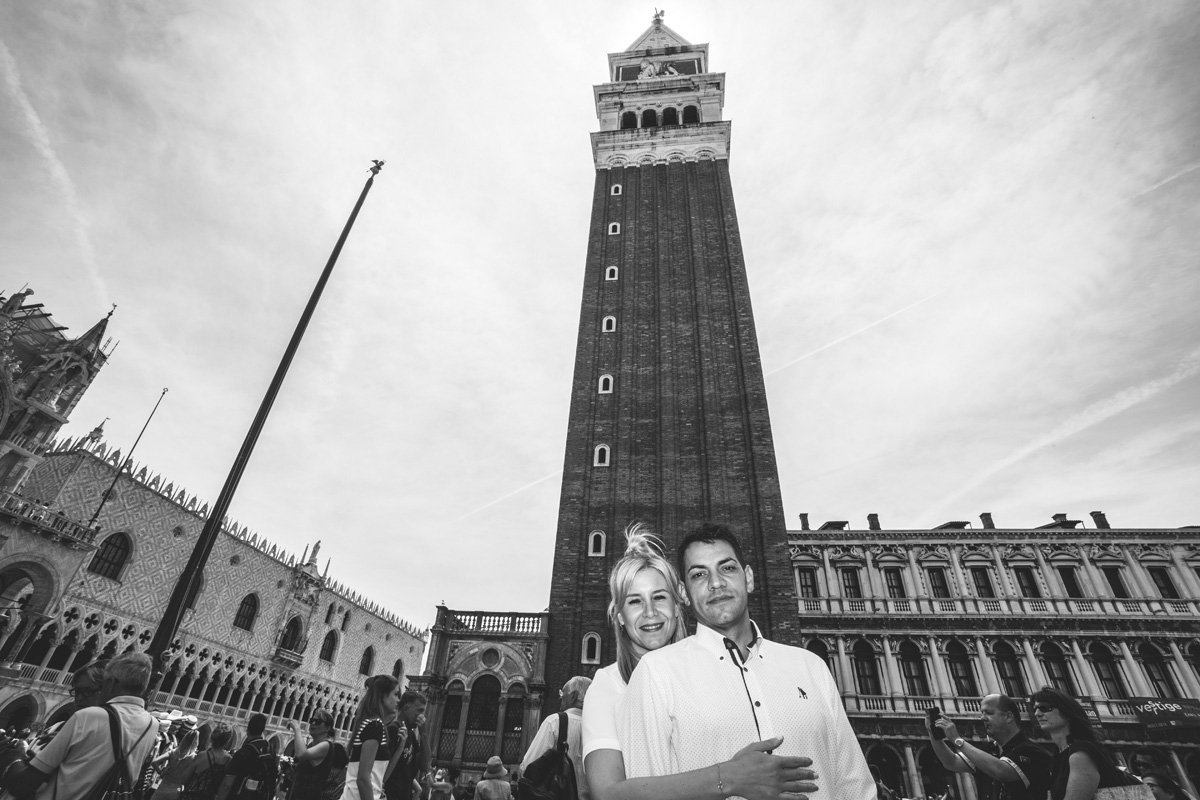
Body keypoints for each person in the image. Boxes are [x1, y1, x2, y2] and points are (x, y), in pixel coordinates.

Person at [619, 522, 875, 799]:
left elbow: (855, 787)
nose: (716, 583)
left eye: (727, 568)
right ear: (683, 593)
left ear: (749, 578)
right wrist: (727, 780)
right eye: (699, 574)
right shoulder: (657, 673)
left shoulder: (810, 667)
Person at [583, 524, 812, 800]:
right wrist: (728, 778)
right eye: (634, 602)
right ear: (619, 615)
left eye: (659, 597)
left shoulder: (722, 666)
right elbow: (607, 795)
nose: (650, 612)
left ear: (679, 604)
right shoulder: (607, 686)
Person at [0, 652, 159, 799]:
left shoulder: (89, 717)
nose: (78, 699)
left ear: (109, 683)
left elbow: (22, 786)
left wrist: (14, 755)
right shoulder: (152, 725)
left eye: (89, 690)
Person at [928, 693, 1052, 800]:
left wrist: (957, 740)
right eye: (982, 713)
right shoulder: (988, 750)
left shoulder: (1032, 751)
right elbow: (951, 762)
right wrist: (933, 733)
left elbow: (1001, 771)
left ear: (1008, 716)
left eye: (988, 713)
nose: (982, 718)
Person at [1033, 686, 1143, 800]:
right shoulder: (1058, 757)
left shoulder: (1080, 754)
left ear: (1066, 712)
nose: (1037, 713)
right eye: (1035, 709)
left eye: (1044, 708)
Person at [521, 675, 592, 799]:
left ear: (573, 696)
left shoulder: (555, 722)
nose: (560, 698)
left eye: (562, 693)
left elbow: (528, 766)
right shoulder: (601, 728)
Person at [343, 674, 400, 800]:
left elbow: (374, 776)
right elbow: (363, 778)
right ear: (383, 696)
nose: (398, 700)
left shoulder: (373, 724)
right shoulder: (375, 726)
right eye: (395, 695)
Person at [215, 713, 276, 800]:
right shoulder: (270, 749)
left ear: (248, 730)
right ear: (262, 730)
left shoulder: (242, 753)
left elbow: (227, 785)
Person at [383, 691, 429, 800]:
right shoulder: (393, 730)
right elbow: (383, 770)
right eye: (419, 711)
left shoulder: (411, 735)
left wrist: (424, 735)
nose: (422, 716)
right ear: (406, 709)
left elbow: (425, 766)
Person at [286, 709, 339, 800]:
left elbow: (301, 754)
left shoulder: (327, 745)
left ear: (327, 728)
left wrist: (297, 730)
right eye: (312, 721)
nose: (313, 723)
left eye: (318, 722)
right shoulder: (311, 745)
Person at [179, 724, 234, 800]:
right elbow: (226, 786)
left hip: (190, 795)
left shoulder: (202, 755)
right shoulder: (228, 760)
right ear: (227, 740)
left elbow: (183, 779)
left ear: (211, 736)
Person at [152, 724, 200, 799]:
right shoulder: (194, 758)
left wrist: (161, 773)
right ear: (196, 742)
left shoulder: (173, 752)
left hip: (163, 788)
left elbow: (154, 762)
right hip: (176, 792)